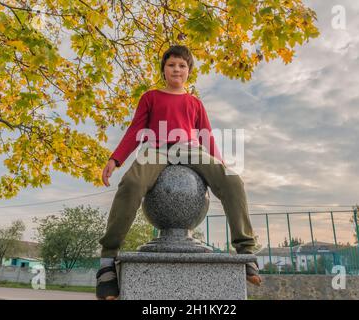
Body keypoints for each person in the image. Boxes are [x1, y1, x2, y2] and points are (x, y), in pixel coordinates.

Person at [96, 45, 261, 300]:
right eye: (172, 64)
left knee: (233, 181)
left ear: (189, 72)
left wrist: (220, 164)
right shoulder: (150, 97)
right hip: (158, 149)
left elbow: (206, 136)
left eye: (182, 66)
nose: (177, 69)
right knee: (132, 183)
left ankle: (246, 252)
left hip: (189, 150)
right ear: (164, 69)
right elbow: (134, 131)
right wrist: (116, 159)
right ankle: (107, 261)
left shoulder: (195, 103)